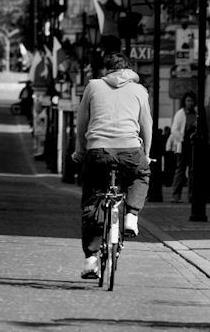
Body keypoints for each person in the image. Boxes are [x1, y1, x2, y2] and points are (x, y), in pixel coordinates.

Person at [72, 52, 152, 279]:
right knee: (141, 174)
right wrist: (146, 154)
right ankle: (131, 217)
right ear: (129, 68)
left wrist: (80, 150)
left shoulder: (93, 86)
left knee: (92, 199)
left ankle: (90, 260)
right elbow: (146, 126)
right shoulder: (139, 91)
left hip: (98, 150)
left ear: (106, 69)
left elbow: (82, 124)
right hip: (129, 150)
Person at [166, 91, 197, 203]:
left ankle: (192, 195)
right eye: (188, 100)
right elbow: (174, 129)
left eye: (192, 101)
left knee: (193, 172)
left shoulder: (196, 113)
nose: (190, 103)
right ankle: (176, 195)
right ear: (184, 101)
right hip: (183, 145)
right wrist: (182, 138)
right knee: (180, 171)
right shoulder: (180, 114)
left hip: (193, 147)